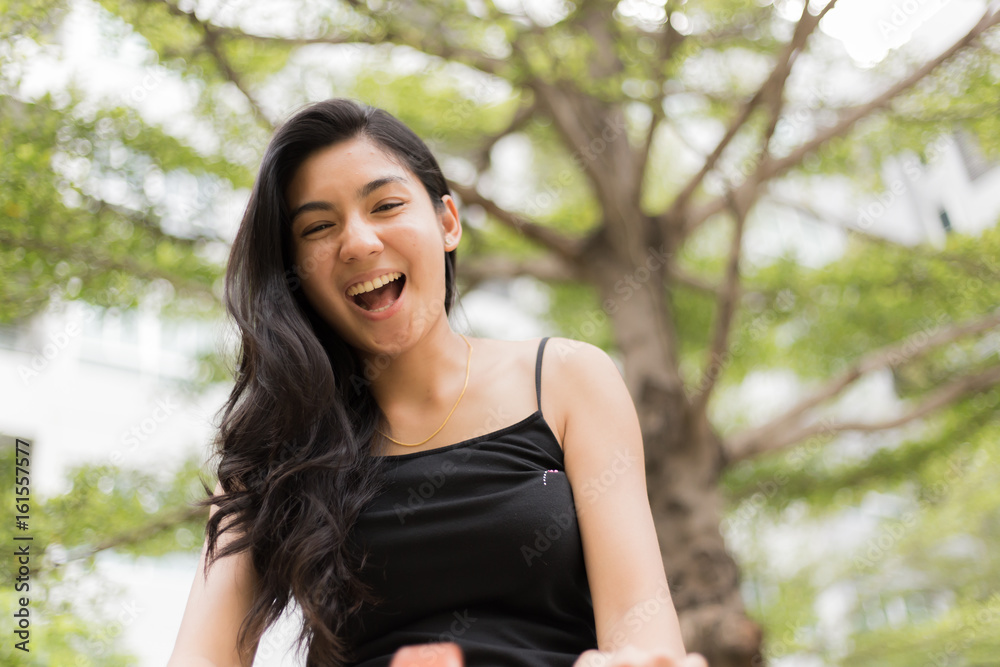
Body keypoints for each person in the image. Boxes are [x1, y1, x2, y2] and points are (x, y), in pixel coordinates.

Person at [167, 98, 707, 667]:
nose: (358, 242)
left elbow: (642, 633)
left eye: (386, 205)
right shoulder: (270, 455)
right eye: (319, 227)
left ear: (447, 222)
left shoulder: (569, 380)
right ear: (295, 277)